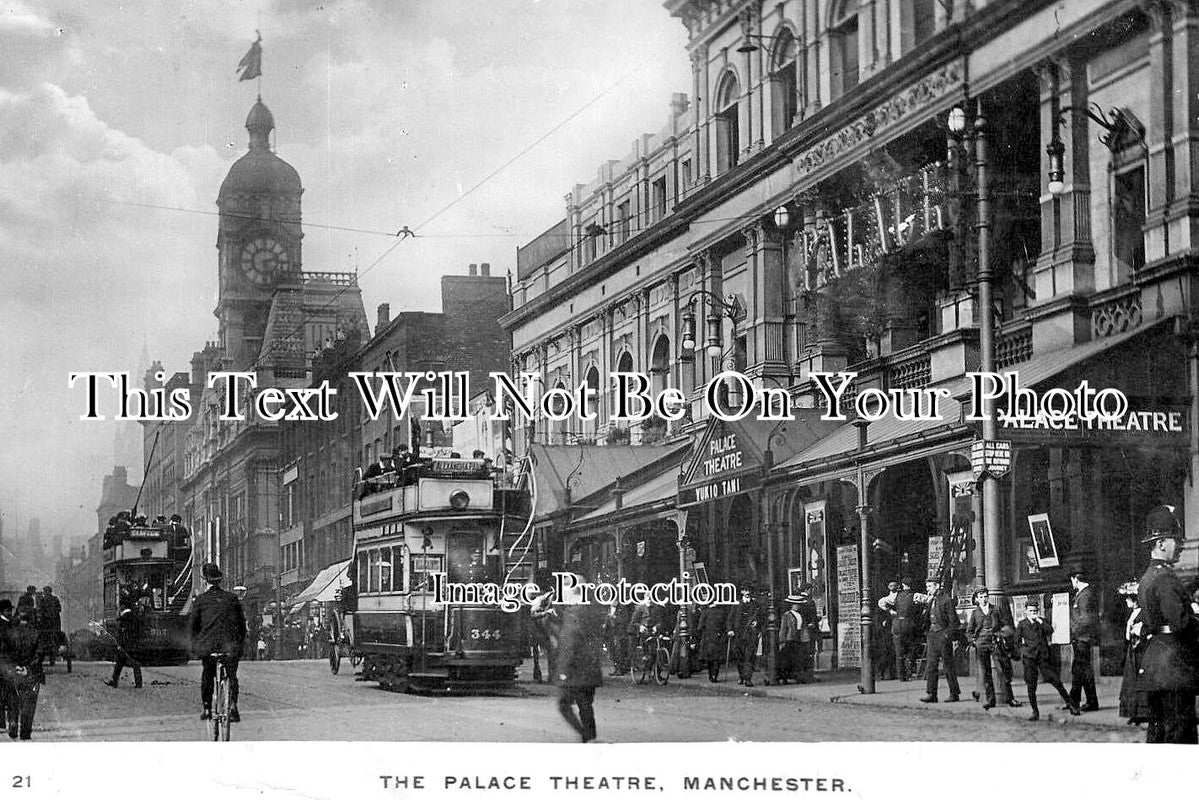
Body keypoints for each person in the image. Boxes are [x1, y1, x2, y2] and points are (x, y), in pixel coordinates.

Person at [1136, 504, 1199, 744]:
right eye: (1176, 540)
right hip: (1175, 669)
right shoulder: (1165, 579)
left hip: (1156, 667)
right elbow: (1181, 623)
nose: (1181, 545)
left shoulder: (1148, 577)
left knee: (1158, 733)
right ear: (1161, 543)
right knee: (1179, 736)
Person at [190, 563, 247, 723]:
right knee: (232, 675)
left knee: (208, 675)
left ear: (204, 580)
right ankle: (233, 706)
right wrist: (239, 645)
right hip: (230, 646)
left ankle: (207, 708)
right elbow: (241, 625)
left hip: (209, 647)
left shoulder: (200, 600)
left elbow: (193, 627)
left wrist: (195, 647)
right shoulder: (232, 598)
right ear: (219, 580)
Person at [554, 577, 604, 743]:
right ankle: (590, 736)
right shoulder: (591, 610)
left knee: (563, 704)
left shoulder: (572, 614)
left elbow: (569, 643)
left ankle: (587, 735)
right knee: (585, 706)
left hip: (576, 671)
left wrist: (562, 672)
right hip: (591, 669)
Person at [1016, 600, 1079, 720]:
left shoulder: (1042, 621)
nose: (1033, 613)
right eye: (1030, 611)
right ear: (1026, 611)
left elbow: (1050, 630)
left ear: (1038, 611)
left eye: (1035, 611)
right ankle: (1035, 712)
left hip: (1043, 657)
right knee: (1031, 685)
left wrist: (1039, 620)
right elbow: (1017, 642)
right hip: (1029, 658)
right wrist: (1024, 652)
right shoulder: (1022, 624)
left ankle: (1071, 704)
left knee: (1055, 680)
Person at [967, 588, 1019, 710]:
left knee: (1003, 670)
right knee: (986, 673)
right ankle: (990, 700)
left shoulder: (995, 609)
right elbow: (969, 631)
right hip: (982, 644)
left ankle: (1010, 698)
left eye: (985, 596)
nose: (984, 599)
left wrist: (1001, 634)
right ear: (977, 599)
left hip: (996, 642)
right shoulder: (975, 613)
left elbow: (1005, 624)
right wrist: (974, 642)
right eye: (981, 597)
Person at [2, 608, 44, 740]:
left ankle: (13, 727)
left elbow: (4, 653)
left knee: (13, 702)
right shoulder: (37, 633)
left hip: (12, 674)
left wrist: (14, 667)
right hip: (32, 674)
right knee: (29, 704)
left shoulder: (8, 632)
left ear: (18, 617)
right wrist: (27, 668)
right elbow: (40, 654)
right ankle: (25, 732)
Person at [919, 578, 962, 703]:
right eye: (927, 586)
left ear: (937, 586)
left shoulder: (946, 600)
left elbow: (954, 621)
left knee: (948, 665)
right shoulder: (931, 600)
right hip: (932, 636)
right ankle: (932, 694)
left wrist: (946, 635)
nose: (928, 589)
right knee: (931, 665)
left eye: (930, 586)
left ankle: (954, 693)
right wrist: (927, 631)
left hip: (942, 635)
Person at [1067, 564, 1101, 712]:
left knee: (1078, 671)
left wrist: (1073, 631)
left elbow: (1086, 620)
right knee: (1084, 672)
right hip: (1082, 639)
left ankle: (1074, 702)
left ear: (1075, 579)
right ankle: (1090, 702)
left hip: (1083, 639)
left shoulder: (1085, 595)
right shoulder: (1085, 593)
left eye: (1072, 580)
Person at [1117, 581, 1150, 726]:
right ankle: (1133, 713)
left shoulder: (1143, 613)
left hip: (1141, 651)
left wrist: (1139, 631)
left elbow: (1146, 631)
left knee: (1140, 679)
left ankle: (1143, 713)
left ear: (1135, 599)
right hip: (1133, 650)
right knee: (1131, 681)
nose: (1126, 601)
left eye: (1128, 598)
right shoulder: (1133, 613)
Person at [105, 594, 145, 689]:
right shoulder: (134, 616)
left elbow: (123, 631)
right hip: (134, 644)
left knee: (120, 663)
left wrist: (121, 642)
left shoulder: (125, 617)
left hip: (127, 644)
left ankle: (114, 682)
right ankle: (138, 683)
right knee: (134, 663)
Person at [779, 591, 818, 684]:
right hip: (790, 639)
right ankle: (785, 677)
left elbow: (803, 626)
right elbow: (783, 628)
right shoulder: (787, 615)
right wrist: (782, 641)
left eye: (798, 605)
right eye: (796, 604)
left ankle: (798, 677)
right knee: (788, 659)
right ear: (792, 605)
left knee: (799, 659)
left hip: (800, 639)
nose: (797, 606)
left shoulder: (800, 615)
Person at [727, 586, 762, 687]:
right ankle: (741, 676)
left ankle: (748, 678)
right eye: (745, 590)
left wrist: (757, 623)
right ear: (742, 592)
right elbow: (730, 618)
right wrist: (730, 630)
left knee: (750, 656)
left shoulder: (755, 604)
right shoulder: (736, 604)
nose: (747, 592)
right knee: (740, 656)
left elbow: (761, 617)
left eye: (749, 590)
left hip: (751, 633)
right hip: (739, 633)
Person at [695, 602, 730, 683]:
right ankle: (715, 675)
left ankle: (711, 675)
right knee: (716, 658)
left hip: (708, 638)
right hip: (718, 637)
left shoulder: (705, 612)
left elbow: (700, 626)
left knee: (709, 658)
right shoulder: (722, 612)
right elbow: (725, 625)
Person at [37, 587, 61, 667]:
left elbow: (59, 608)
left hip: (49, 624)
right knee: (50, 640)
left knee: (47, 640)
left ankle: (49, 658)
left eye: (45, 591)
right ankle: (50, 658)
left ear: (49, 592)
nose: (45, 593)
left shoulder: (45, 600)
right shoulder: (49, 599)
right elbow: (59, 609)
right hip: (50, 624)